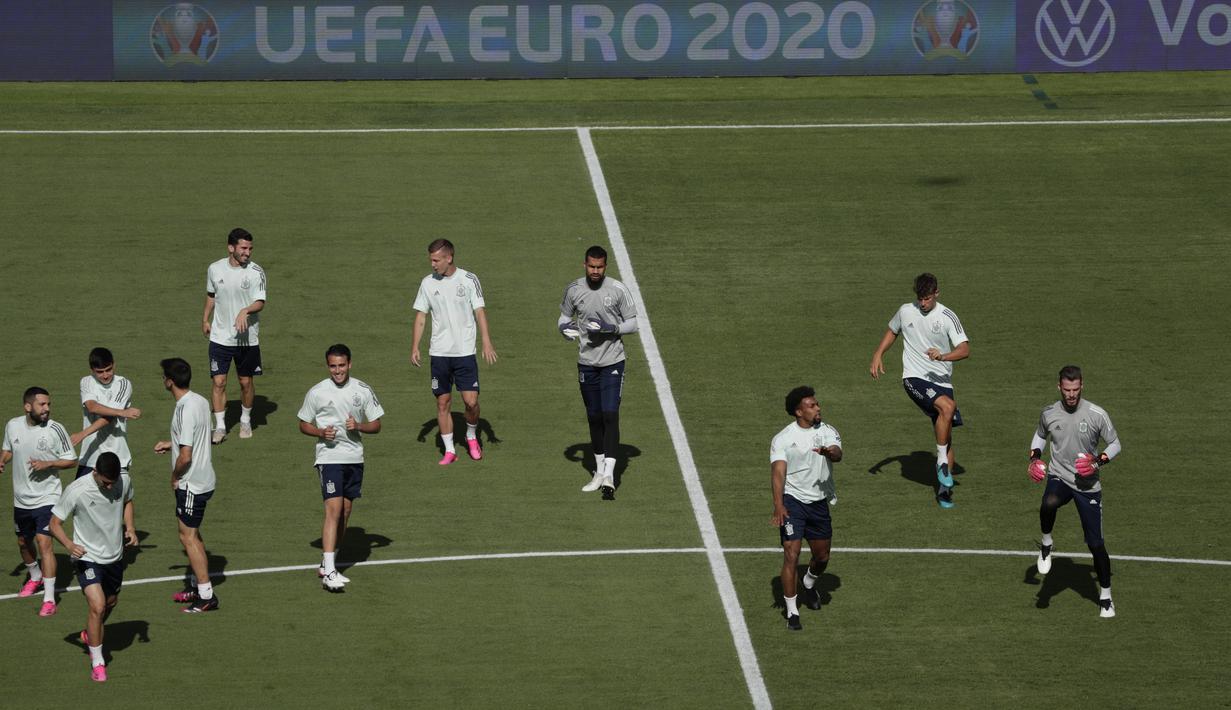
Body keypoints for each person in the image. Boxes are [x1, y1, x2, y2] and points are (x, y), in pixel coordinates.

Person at [869, 272, 969, 509]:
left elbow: (964, 349)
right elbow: (893, 330)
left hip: (942, 382)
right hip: (914, 378)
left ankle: (944, 491)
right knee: (947, 407)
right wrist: (878, 353)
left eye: (927, 299)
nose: (923, 303)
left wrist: (943, 356)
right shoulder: (906, 311)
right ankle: (942, 462)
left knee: (947, 435)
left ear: (936, 294)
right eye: (920, 299)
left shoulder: (947, 316)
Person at [1028, 365, 1121, 618]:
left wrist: (1097, 461)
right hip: (1060, 476)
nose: (1071, 395)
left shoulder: (1096, 414)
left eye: (1076, 389)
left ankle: (1105, 596)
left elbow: (1115, 444)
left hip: (1087, 485)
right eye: (1067, 390)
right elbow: (1039, 437)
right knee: (1048, 503)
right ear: (1059, 387)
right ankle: (1046, 544)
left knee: (1096, 544)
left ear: (1082, 386)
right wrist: (1034, 458)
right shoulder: (1049, 413)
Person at [297, 344, 384, 591]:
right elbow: (303, 423)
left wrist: (358, 426)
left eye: (342, 365)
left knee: (345, 512)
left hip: (354, 458)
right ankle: (330, 572)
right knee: (333, 509)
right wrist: (320, 432)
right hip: (329, 458)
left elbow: (376, 424)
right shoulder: (317, 392)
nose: (338, 371)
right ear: (328, 366)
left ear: (350, 364)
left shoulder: (362, 390)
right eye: (333, 366)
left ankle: (328, 563)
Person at [557, 245, 639, 499]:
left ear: (606, 266)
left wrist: (610, 328)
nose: (595, 271)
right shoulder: (574, 290)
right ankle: (599, 471)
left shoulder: (617, 290)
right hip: (586, 362)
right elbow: (563, 317)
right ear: (585, 265)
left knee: (610, 414)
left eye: (600, 267)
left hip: (613, 362)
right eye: (591, 267)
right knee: (594, 417)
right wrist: (564, 329)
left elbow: (633, 323)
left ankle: (609, 477)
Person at [49, 452, 136, 682]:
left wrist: (131, 527)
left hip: (114, 557)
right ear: (95, 472)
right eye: (106, 483)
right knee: (97, 606)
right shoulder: (77, 490)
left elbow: (127, 500)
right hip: (87, 557)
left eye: (113, 482)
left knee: (110, 602)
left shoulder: (123, 480)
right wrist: (69, 544)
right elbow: (54, 523)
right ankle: (98, 662)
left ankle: (90, 633)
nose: (110, 487)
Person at [410, 239, 497, 465]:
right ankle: (449, 450)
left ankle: (470, 436)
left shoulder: (469, 280)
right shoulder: (427, 283)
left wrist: (486, 341)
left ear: (449, 258)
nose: (433, 264)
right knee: (442, 403)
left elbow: (479, 312)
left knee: (470, 402)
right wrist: (415, 346)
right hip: (439, 352)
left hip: (465, 352)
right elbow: (421, 316)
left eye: (436, 260)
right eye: (431, 260)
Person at [770, 386, 842, 631]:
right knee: (791, 553)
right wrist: (779, 505)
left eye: (817, 404)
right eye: (812, 406)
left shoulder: (828, 431)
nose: (818, 408)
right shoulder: (783, 439)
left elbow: (837, 453)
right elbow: (778, 473)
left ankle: (809, 583)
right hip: (793, 501)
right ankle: (792, 612)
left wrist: (829, 452)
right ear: (799, 412)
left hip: (819, 502)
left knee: (822, 557)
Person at [1, 387, 78, 616]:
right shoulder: (13, 425)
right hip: (21, 499)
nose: (47, 409)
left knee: (45, 544)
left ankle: (49, 599)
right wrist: (3, 461)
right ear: (28, 407)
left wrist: (49, 464)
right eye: (42, 405)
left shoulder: (55, 429)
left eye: (48, 404)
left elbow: (71, 460)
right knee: (24, 543)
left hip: (48, 497)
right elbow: (7, 449)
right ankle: (35, 577)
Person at [153, 358, 219, 613]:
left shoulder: (183, 409)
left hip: (192, 483)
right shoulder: (200, 401)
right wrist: (170, 443)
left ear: (169, 381)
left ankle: (206, 595)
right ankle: (195, 585)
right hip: (205, 479)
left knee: (187, 536)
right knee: (193, 534)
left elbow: (186, 456)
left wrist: (174, 476)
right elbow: (201, 436)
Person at [203, 227, 267, 443]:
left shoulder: (256, 272)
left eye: (250, 248)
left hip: (247, 338)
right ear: (231, 248)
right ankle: (220, 427)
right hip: (220, 337)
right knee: (219, 382)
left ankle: (246, 420)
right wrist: (205, 319)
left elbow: (260, 302)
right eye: (243, 248)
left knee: (245, 382)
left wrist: (245, 310)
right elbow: (212, 295)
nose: (247, 253)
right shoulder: (214, 269)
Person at [73, 347, 141, 480]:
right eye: (100, 372)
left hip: (117, 457)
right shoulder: (86, 382)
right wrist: (122, 412)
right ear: (92, 370)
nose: (105, 375)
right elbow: (92, 407)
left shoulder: (123, 384)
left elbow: (109, 418)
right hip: (90, 458)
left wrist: (82, 434)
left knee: (119, 500)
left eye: (108, 370)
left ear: (114, 365)